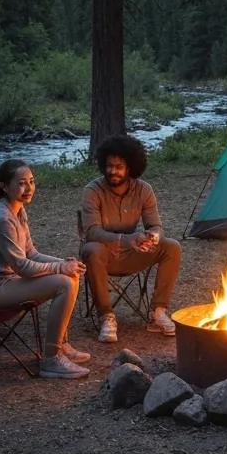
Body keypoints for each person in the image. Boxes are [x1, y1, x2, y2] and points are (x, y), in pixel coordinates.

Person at [0, 158, 91, 379]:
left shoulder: (17, 210)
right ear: (4, 186)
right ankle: (51, 360)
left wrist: (64, 264)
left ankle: (61, 345)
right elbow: (23, 267)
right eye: (21, 183)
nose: (28, 188)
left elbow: (31, 253)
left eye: (31, 182)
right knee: (64, 282)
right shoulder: (1, 218)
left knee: (69, 275)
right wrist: (59, 268)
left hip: (9, 280)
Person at [80, 134, 182, 343]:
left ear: (130, 167)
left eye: (118, 166)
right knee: (92, 248)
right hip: (102, 256)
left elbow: (155, 225)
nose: (112, 171)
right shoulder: (93, 191)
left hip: (133, 253)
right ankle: (106, 316)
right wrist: (127, 240)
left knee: (171, 246)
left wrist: (153, 236)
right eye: (109, 166)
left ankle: (158, 313)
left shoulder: (143, 190)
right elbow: (91, 232)